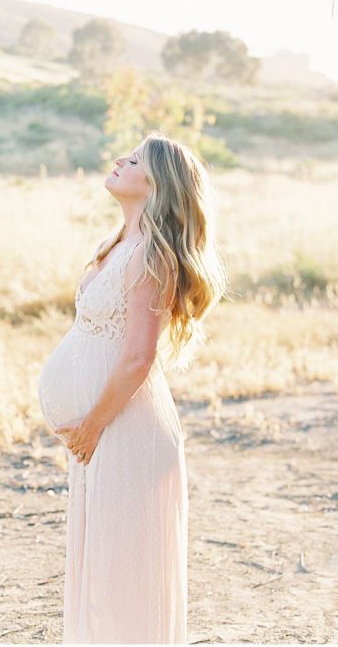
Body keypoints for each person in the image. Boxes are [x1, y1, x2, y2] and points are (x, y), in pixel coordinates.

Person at [37, 131, 231, 644]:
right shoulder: (118, 244)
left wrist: (92, 426)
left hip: (123, 430)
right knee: (103, 570)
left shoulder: (151, 257)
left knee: (122, 580)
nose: (121, 159)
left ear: (157, 183)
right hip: (104, 432)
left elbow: (138, 358)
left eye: (136, 158)